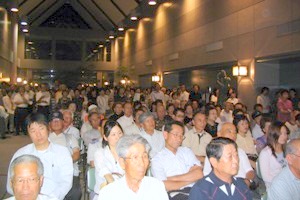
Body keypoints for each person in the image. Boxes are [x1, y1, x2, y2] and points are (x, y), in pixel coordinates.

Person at [7, 113, 73, 199]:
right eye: (33, 131)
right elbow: (10, 184)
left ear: (48, 128)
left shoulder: (62, 152)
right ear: (28, 133)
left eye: (41, 129)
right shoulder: (21, 154)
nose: (38, 134)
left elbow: (66, 183)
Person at [98, 135, 169, 200]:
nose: (141, 163)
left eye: (144, 156)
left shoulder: (156, 186)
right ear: (122, 162)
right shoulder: (109, 193)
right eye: (135, 157)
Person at [151, 120, 203, 199]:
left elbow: (199, 174)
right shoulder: (157, 159)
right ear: (165, 135)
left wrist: (172, 179)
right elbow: (164, 185)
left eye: (181, 136)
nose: (179, 139)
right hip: (176, 194)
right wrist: (190, 179)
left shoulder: (187, 151)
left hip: (196, 190)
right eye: (176, 135)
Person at [203, 123, 255, 188]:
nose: (233, 135)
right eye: (229, 131)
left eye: (235, 132)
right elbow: (207, 175)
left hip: (243, 186)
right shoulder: (213, 152)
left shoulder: (240, 151)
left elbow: (249, 171)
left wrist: (247, 181)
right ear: (219, 133)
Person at [48, 111, 82, 200]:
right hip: (49, 172)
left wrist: (64, 164)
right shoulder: (45, 139)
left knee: (75, 192)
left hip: (69, 172)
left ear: (63, 123)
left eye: (58, 120)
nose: (56, 122)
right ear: (49, 124)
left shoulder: (70, 137)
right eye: (53, 120)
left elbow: (76, 154)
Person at [93, 121, 124, 198]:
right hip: (106, 194)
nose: (118, 137)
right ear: (105, 137)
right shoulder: (99, 153)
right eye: (113, 134)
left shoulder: (128, 152)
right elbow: (108, 176)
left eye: (120, 133)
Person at [258, 122, 288, 188]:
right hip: (275, 186)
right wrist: (283, 182)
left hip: (288, 183)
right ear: (273, 134)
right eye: (281, 133)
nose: (284, 136)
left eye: (285, 133)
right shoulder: (265, 153)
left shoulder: (287, 149)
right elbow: (266, 177)